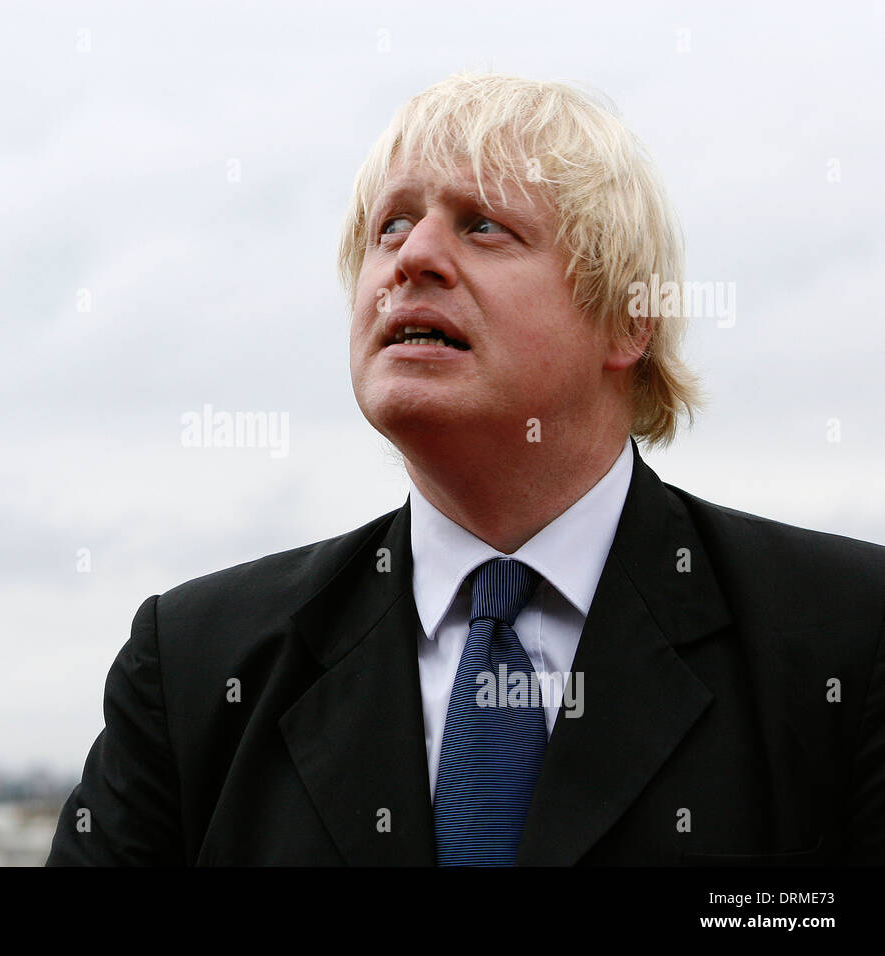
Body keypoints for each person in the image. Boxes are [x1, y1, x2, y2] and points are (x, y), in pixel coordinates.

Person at [46, 72, 885, 865]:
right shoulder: (196, 665)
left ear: (629, 322)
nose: (414, 258)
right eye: (391, 226)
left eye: (483, 225)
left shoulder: (847, 637)